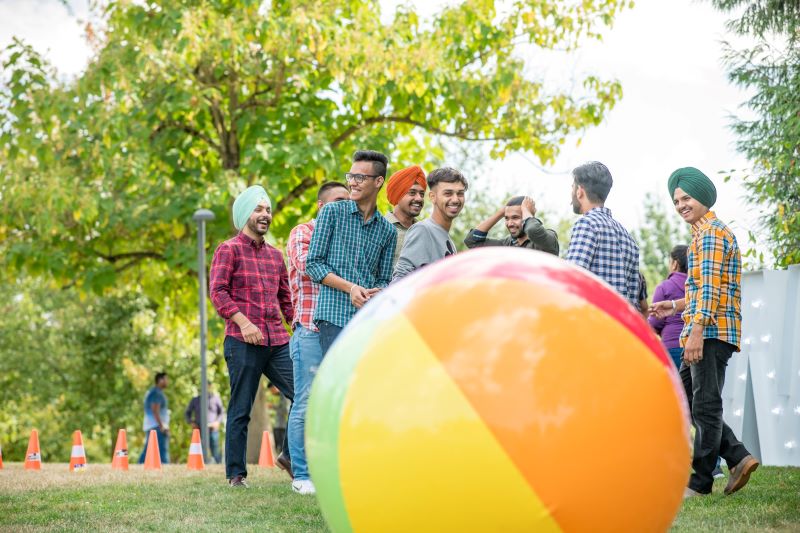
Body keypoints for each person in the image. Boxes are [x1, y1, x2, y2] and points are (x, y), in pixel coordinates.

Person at [653, 167, 758, 498]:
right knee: (686, 399)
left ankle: (700, 482)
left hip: (709, 332)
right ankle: (738, 456)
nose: (681, 205)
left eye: (687, 197)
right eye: (676, 200)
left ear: (703, 196)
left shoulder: (710, 234)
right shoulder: (702, 234)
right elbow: (705, 288)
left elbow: (711, 290)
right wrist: (674, 306)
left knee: (706, 405)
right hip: (702, 328)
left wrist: (697, 331)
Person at [209, 185, 295, 488]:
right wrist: (244, 322)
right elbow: (217, 292)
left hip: (277, 341)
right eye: (259, 209)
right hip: (242, 341)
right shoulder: (228, 249)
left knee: (304, 396)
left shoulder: (275, 255)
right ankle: (236, 475)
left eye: (268, 209)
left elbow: (286, 299)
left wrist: (296, 327)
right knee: (240, 408)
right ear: (245, 214)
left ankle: (290, 456)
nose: (265, 215)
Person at [285, 180, 350, 495]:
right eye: (340, 200)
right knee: (307, 402)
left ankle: (330, 470)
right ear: (323, 207)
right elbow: (310, 266)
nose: (347, 206)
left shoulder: (348, 237)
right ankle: (302, 474)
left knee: (337, 404)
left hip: (340, 334)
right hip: (310, 330)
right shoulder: (303, 232)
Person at [306, 150, 397, 354]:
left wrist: (377, 293)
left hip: (367, 322)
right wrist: (351, 288)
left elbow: (383, 279)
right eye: (351, 176)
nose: (352, 183)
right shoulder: (331, 212)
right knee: (339, 384)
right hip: (333, 316)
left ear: (378, 181)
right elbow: (313, 264)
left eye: (360, 177)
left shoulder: (387, 230)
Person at [565, 161, 641, 308]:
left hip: (591, 321)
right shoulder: (628, 238)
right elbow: (633, 301)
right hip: (619, 326)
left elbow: (572, 279)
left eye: (572, 188)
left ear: (579, 191)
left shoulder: (587, 225)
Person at [392, 167, 466, 281]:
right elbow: (401, 279)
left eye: (460, 194)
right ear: (433, 197)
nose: (455, 199)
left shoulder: (448, 240)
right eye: (448, 193)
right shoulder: (422, 230)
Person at [463, 196, 559, 254]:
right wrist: (502, 211)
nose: (509, 223)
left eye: (515, 217)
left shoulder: (547, 239)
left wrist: (526, 210)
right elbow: (472, 241)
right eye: (507, 218)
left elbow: (532, 229)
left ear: (527, 216)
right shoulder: (506, 244)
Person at [648, 245, 689, 369]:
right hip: (697, 347)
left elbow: (654, 323)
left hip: (672, 348)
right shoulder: (698, 288)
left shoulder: (664, 287)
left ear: (675, 264)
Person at [384, 165, 427, 267]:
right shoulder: (378, 228)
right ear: (397, 195)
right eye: (412, 193)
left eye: (422, 194)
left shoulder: (425, 232)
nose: (419, 198)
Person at [184, 391, 225, 464]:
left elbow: (222, 413)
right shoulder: (195, 400)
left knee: (215, 451)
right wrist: (191, 422)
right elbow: (187, 413)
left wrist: (217, 422)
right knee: (200, 450)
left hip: (212, 430)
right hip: (199, 429)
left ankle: (218, 464)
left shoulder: (215, 399)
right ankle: (201, 464)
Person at [138, 372, 170, 464]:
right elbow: (155, 410)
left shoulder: (154, 392)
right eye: (166, 379)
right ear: (160, 380)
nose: (167, 382)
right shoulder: (156, 393)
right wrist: (162, 426)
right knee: (162, 450)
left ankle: (139, 465)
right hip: (157, 426)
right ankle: (166, 468)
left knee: (148, 449)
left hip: (154, 425)